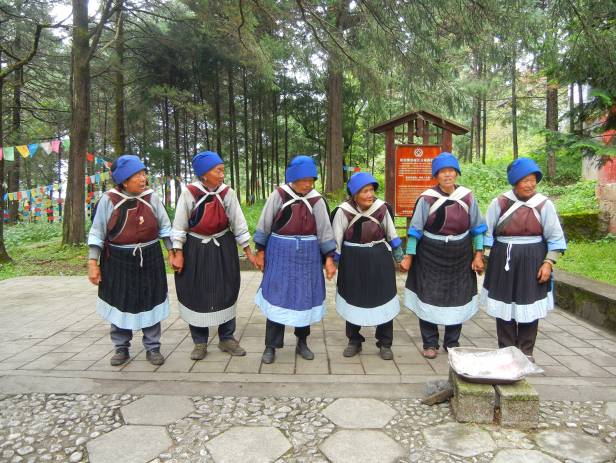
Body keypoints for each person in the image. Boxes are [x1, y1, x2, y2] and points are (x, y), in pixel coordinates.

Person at [87, 154, 172, 366]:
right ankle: (121, 347)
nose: (143, 179)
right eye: (137, 175)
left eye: (144, 174)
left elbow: (165, 227)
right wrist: (92, 263)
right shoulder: (109, 200)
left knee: (150, 300)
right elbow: (97, 233)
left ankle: (153, 347)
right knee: (120, 302)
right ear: (124, 180)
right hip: (118, 261)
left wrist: (172, 251)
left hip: (150, 257)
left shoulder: (151, 198)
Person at [400, 152, 486, 359]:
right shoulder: (427, 198)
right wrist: (409, 256)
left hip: (460, 254)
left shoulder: (467, 197)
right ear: (436, 176)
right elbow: (415, 230)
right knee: (427, 295)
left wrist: (479, 254)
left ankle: (452, 341)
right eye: (442, 172)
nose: (448, 175)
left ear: (456, 173)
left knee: (458, 297)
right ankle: (430, 343)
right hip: (430, 254)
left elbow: (478, 227)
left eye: (451, 171)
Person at [170, 151, 255, 360]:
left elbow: (238, 222)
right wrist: (178, 252)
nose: (222, 175)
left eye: (223, 170)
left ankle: (227, 337)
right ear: (204, 174)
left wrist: (248, 251)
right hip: (196, 249)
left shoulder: (228, 193)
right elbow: (179, 225)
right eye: (218, 170)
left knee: (227, 287)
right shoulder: (189, 193)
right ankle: (199, 341)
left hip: (223, 246)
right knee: (196, 291)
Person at [254, 155, 337, 364]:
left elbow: (325, 231)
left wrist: (329, 258)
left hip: (307, 257)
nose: (308, 184)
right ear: (293, 178)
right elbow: (264, 224)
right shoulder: (279, 195)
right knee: (277, 296)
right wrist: (260, 251)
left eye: (312, 180)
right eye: (304, 180)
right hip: (280, 253)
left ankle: (302, 342)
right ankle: (271, 345)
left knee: (304, 297)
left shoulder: (317, 200)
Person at [481, 157, 566, 359]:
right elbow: (487, 234)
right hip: (503, 259)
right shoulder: (499, 203)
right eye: (525, 180)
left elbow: (555, 237)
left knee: (530, 305)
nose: (530, 184)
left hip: (533, 259)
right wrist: (483, 257)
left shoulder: (544, 205)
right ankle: (507, 350)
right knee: (504, 306)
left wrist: (548, 263)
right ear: (514, 182)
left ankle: (526, 352)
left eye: (533, 180)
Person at [331, 172, 404, 360]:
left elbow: (392, 233)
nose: (370, 194)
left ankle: (385, 342)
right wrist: (333, 263)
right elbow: (336, 239)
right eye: (365, 191)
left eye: (372, 190)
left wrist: (399, 256)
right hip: (352, 261)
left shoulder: (381, 209)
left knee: (384, 298)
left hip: (379, 259)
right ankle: (354, 340)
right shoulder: (343, 211)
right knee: (353, 298)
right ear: (355, 194)